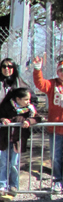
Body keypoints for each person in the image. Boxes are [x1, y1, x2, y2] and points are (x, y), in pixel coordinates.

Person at [0, 87, 41, 196]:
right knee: (3, 163)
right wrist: (3, 119)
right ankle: (2, 185)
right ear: (18, 99)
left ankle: (13, 185)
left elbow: (38, 118)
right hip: (5, 139)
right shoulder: (6, 106)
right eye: (26, 99)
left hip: (18, 140)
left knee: (14, 163)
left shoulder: (29, 109)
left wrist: (29, 121)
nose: (28, 101)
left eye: (29, 99)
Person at [31, 56, 63, 193]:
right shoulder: (52, 84)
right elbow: (40, 84)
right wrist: (37, 68)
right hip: (55, 128)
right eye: (61, 70)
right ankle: (57, 180)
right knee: (55, 157)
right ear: (57, 71)